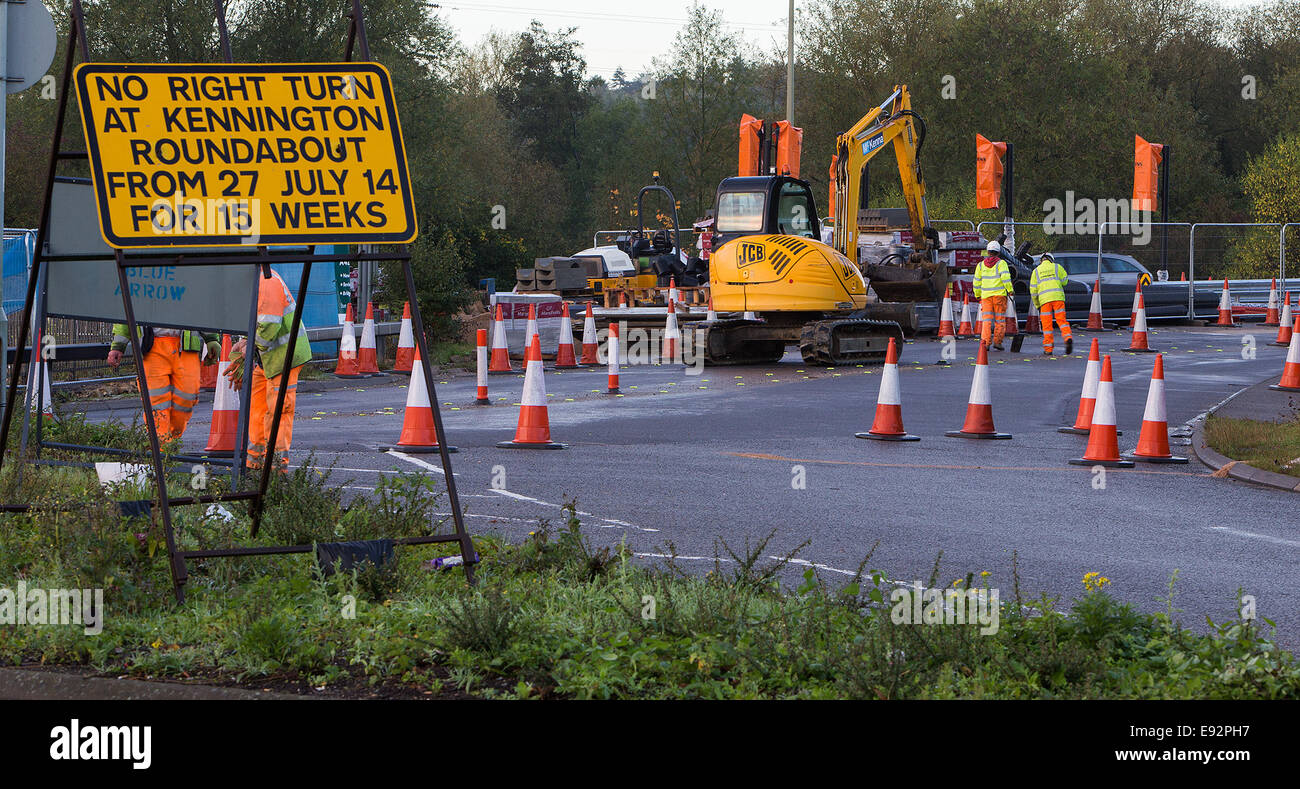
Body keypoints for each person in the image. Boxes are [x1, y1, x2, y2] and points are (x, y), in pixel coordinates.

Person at [227, 267, 312, 471]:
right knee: (257, 408)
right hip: (267, 358)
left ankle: (276, 465)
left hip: (285, 357)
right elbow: (260, 323)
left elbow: (269, 328)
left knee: (278, 411)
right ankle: (255, 461)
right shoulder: (256, 282)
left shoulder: (267, 281)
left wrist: (250, 345)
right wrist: (246, 341)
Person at [107, 323, 218, 442]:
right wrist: (118, 346)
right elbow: (126, 313)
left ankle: (169, 442)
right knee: (156, 403)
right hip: (152, 348)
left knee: (186, 398)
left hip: (185, 348)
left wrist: (211, 338)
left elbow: (201, 311)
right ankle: (162, 448)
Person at [1030, 252, 1074, 356]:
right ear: (1051, 260)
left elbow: (1033, 291)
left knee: (1047, 325)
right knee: (1062, 320)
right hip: (1058, 298)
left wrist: (1037, 305)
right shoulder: (1057, 267)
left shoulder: (1036, 271)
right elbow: (1065, 281)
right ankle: (1068, 337)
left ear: (1041, 260)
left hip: (1044, 301)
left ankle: (1048, 349)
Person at [974, 240, 1014, 350]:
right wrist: (1010, 290)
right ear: (998, 252)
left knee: (986, 321)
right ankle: (998, 342)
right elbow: (1006, 278)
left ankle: (985, 343)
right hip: (999, 297)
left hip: (986, 297)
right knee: (1000, 320)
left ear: (988, 252)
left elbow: (976, 282)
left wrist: (977, 295)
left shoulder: (980, 266)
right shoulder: (1001, 264)